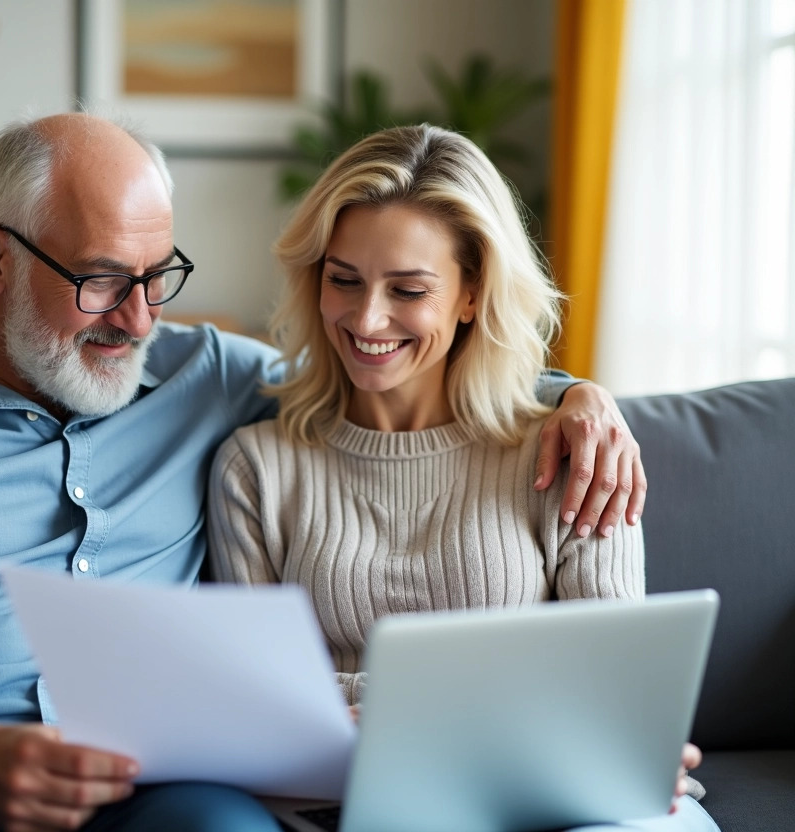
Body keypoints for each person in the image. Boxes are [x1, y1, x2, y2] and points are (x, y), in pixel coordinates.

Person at [0, 113, 648, 832]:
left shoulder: (203, 373)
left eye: (157, 276)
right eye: (100, 280)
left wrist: (574, 396)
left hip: (145, 785)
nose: (137, 322)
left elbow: (389, 372)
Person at [206, 124, 716, 830]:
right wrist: (489, 706)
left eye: (408, 289)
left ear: (472, 293)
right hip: (349, 800)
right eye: (343, 280)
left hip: (549, 789)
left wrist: (363, 704)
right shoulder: (256, 467)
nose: (366, 318)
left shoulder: (570, 447)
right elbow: (257, 701)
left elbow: (616, 686)